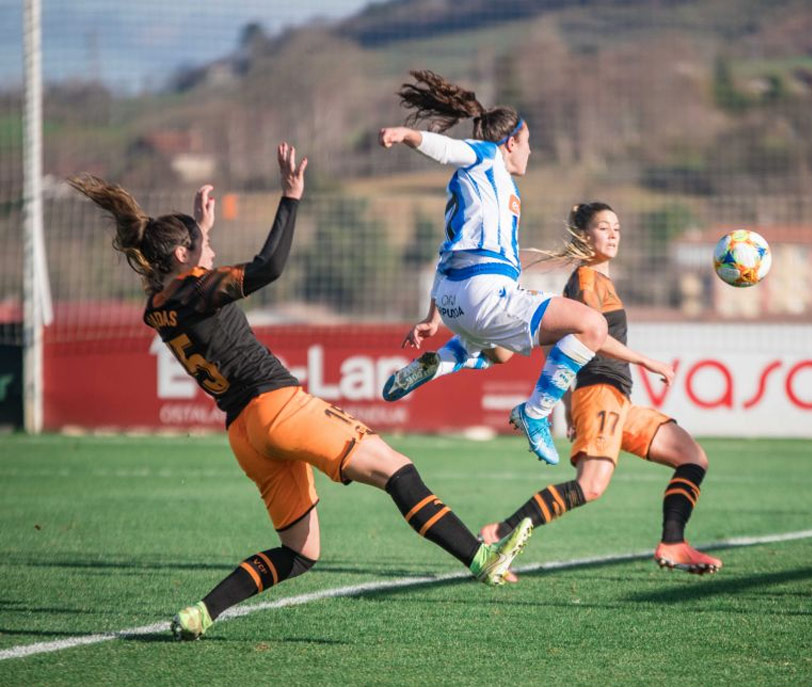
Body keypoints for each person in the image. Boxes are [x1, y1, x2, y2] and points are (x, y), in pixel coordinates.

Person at [67, 143, 534, 641]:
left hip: (244, 433)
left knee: (300, 552)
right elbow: (268, 267)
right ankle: (481, 557)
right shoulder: (198, 287)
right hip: (278, 407)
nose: (213, 251)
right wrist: (290, 197)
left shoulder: (157, 305)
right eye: (204, 246)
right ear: (184, 255)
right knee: (396, 469)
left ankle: (201, 612)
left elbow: (184, 279)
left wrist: (202, 227)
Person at [379, 69, 615, 467]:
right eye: (527, 144)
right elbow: (449, 149)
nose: (530, 152)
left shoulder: (478, 186)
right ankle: (536, 413)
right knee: (593, 327)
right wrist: (408, 136)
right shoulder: (486, 159)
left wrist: (432, 315)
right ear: (510, 143)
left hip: (456, 300)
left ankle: (441, 363)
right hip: (483, 294)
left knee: (502, 354)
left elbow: (447, 248)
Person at [479, 202, 721, 575]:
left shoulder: (600, 281)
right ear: (583, 236)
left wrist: (567, 403)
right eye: (604, 227)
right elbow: (592, 336)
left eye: (617, 228)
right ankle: (499, 532)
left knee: (692, 458)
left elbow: (559, 345)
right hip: (600, 391)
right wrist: (645, 361)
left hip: (616, 398)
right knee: (590, 487)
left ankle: (673, 543)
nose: (613, 234)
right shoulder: (586, 281)